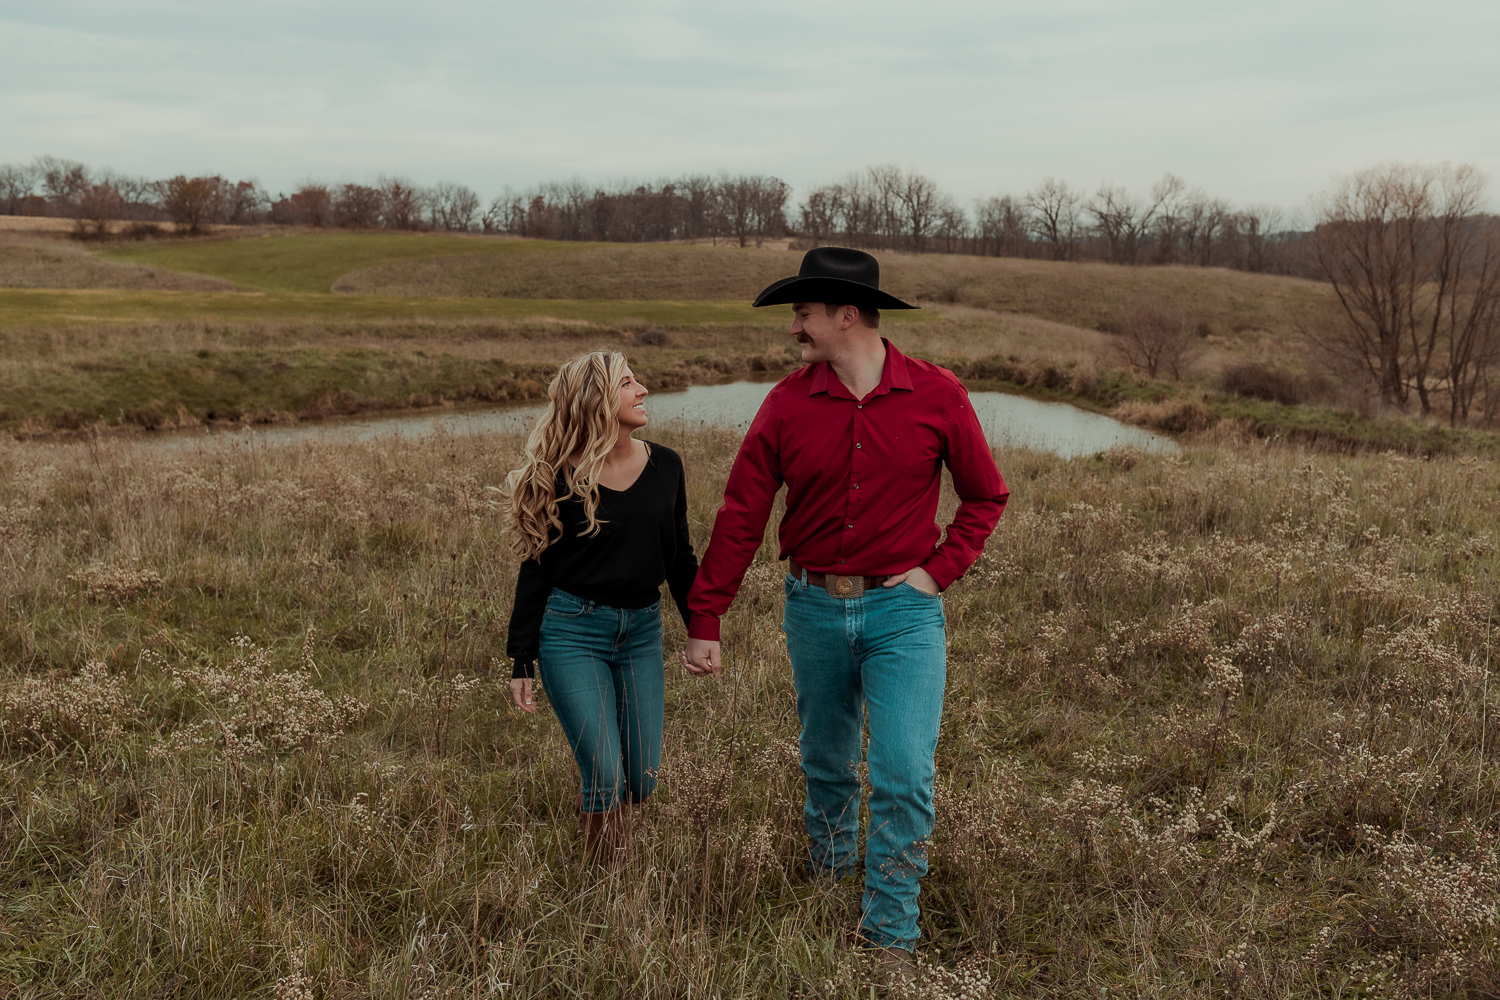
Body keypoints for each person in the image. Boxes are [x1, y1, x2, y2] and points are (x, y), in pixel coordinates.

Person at [682, 247, 1008, 968]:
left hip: (904, 614)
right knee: (827, 762)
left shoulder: (938, 395)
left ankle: (890, 932)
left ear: (846, 315)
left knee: (901, 773)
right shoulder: (787, 403)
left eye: (803, 313)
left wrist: (938, 571)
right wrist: (708, 617)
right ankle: (830, 876)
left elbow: (986, 495)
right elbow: (743, 512)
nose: (795, 327)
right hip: (814, 608)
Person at [503, 350, 699, 861]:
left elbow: (680, 557)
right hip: (572, 632)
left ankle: (607, 838)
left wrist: (703, 627)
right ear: (596, 399)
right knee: (605, 775)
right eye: (628, 383)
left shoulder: (667, 466)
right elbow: (536, 567)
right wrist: (521, 657)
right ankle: (606, 884)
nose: (643, 390)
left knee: (641, 778)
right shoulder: (557, 477)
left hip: (641, 632)